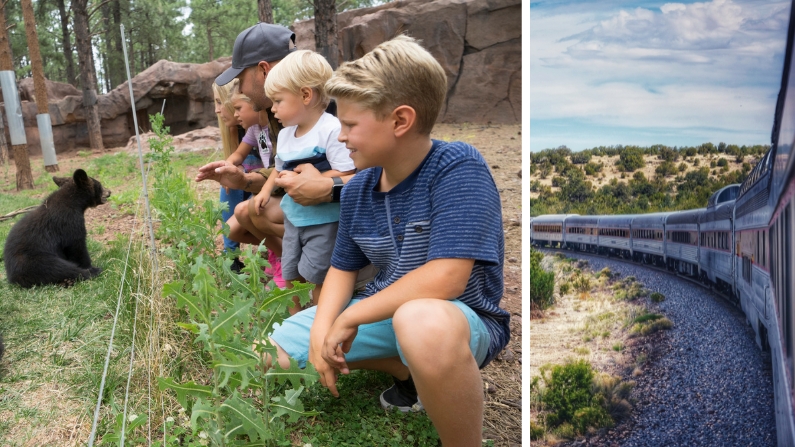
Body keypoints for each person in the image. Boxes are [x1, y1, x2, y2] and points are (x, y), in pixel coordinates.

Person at [268, 35, 511, 447]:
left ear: (400, 121)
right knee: (269, 355)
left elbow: (447, 278)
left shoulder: (457, 167)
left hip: (456, 320)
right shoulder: (360, 188)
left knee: (419, 322)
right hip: (383, 312)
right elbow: (342, 269)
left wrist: (348, 319)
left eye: (350, 125)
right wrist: (322, 329)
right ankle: (405, 370)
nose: (341, 137)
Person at [252, 50, 355, 313]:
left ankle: (319, 320)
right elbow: (278, 168)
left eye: (278, 101)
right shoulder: (286, 135)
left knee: (320, 277)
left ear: (306, 95)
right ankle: (294, 319)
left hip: (324, 221)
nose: (273, 109)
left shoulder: (330, 130)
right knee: (290, 272)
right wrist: (265, 191)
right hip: (294, 218)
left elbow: (346, 172)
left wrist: (311, 180)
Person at [212, 79, 249, 268]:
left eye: (220, 102)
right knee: (228, 185)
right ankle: (230, 256)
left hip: (266, 184)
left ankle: (274, 253)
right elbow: (236, 156)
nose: (217, 110)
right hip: (252, 183)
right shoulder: (236, 130)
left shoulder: (258, 130)